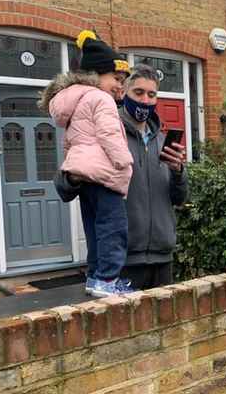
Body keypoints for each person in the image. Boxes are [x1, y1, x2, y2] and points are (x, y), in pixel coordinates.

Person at [40, 30, 134, 298]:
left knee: (93, 228)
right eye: (116, 79)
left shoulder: (76, 100)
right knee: (113, 229)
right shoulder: (100, 98)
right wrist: (124, 162)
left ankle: (94, 277)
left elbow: (69, 143)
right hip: (104, 174)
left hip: (84, 175)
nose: (120, 86)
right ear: (96, 75)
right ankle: (107, 279)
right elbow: (109, 134)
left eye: (123, 81)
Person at [118, 65, 188, 289]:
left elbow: (180, 198)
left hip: (162, 257)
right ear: (124, 94)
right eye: (138, 93)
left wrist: (178, 172)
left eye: (151, 94)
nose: (145, 100)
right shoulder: (111, 135)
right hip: (123, 258)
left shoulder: (162, 140)